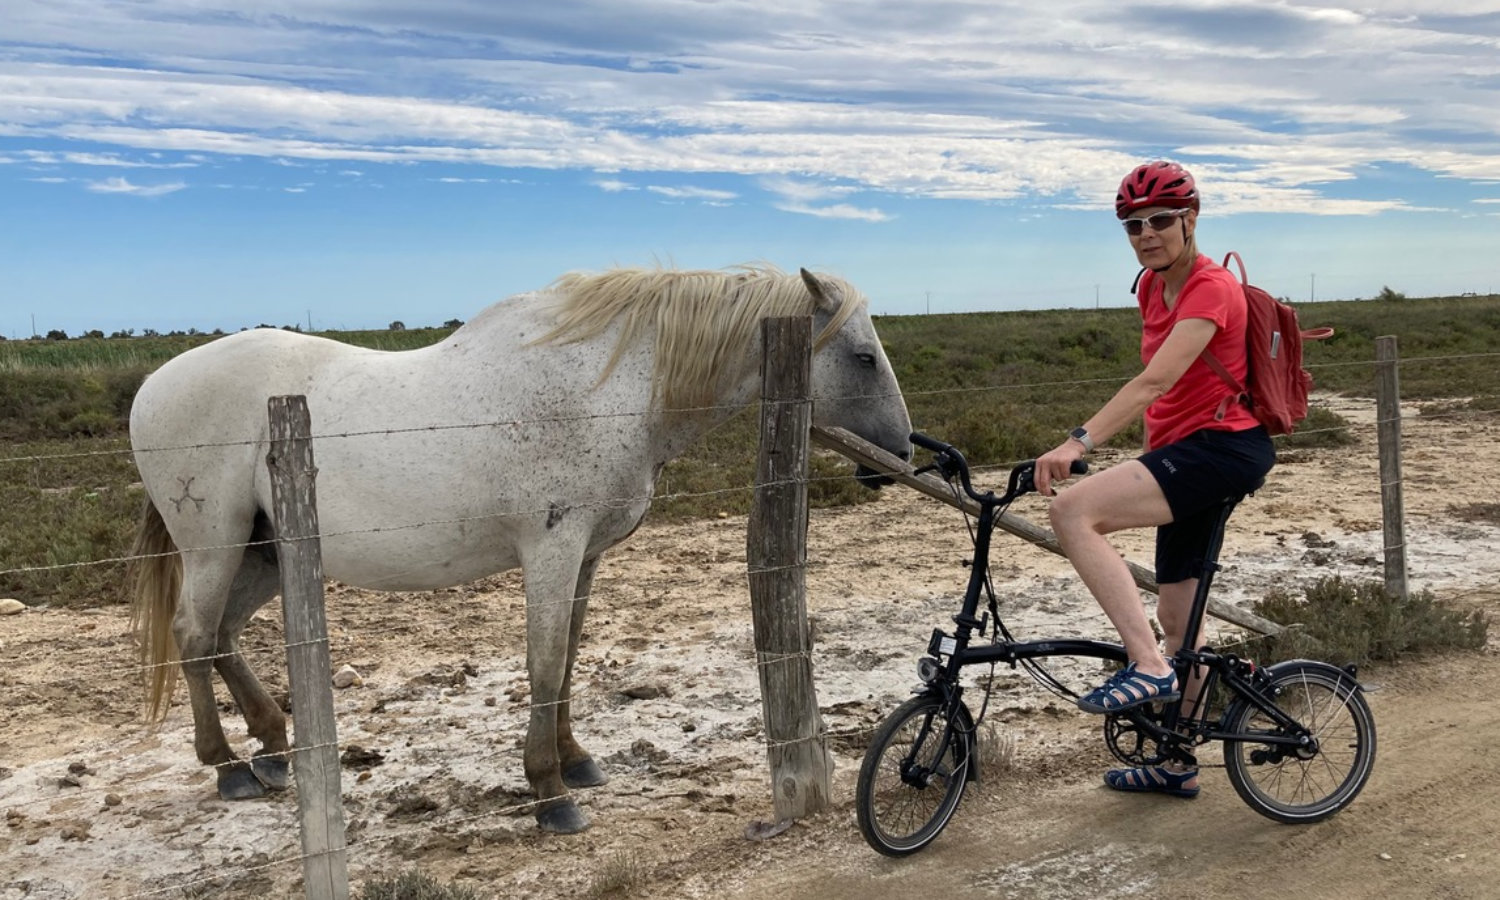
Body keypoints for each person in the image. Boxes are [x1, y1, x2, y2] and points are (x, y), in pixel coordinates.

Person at [1032, 160, 1275, 799]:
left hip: (1224, 449)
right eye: (1133, 225)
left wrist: (1078, 442)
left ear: (1190, 220)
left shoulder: (1211, 288)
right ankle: (1177, 762)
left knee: (1072, 512)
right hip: (1187, 453)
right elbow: (1166, 401)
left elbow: (1155, 381)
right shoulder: (1150, 287)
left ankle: (1146, 666)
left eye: (1161, 220)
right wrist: (1144, 456)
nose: (1146, 234)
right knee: (1179, 619)